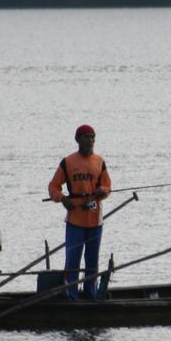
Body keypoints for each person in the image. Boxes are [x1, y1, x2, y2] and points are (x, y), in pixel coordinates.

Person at [47, 124, 112, 299]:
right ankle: (71, 296)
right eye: (87, 137)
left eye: (93, 137)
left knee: (92, 263)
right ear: (77, 140)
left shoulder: (100, 161)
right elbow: (53, 187)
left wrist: (102, 191)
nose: (90, 141)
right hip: (75, 221)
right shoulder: (67, 162)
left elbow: (107, 186)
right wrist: (63, 199)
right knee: (73, 262)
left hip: (95, 221)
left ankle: (91, 295)